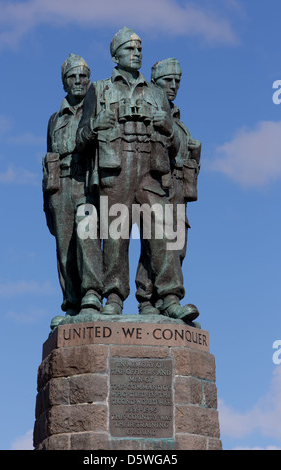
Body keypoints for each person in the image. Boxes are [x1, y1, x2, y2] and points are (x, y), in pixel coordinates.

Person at [76, 28, 195, 321]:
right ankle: (114, 296)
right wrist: (96, 125)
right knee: (116, 235)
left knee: (163, 229)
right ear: (115, 54)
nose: (136, 54)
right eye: (130, 49)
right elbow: (79, 139)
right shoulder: (100, 89)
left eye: (139, 49)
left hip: (151, 168)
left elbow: (177, 147)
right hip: (115, 167)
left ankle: (169, 297)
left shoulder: (156, 93)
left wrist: (167, 127)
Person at [135, 58, 201, 321]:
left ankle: (158, 300)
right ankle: (153, 299)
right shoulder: (150, 113)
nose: (173, 86)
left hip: (178, 190)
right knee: (158, 243)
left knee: (177, 248)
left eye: (177, 81)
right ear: (155, 82)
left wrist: (195, 154)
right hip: (154, 185)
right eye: (168, 80)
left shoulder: (178, 121)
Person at [43, 54, 103, 329]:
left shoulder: (96, 109)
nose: (79, 81)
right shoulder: (55, 119)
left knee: (86, 234)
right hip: (60, 186)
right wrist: (48, 204)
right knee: (64, 248)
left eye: (83, 76)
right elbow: (49, 159)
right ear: (64, 82)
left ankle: (92, 295)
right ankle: (72, 305)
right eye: (73, 77)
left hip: (85, 181)